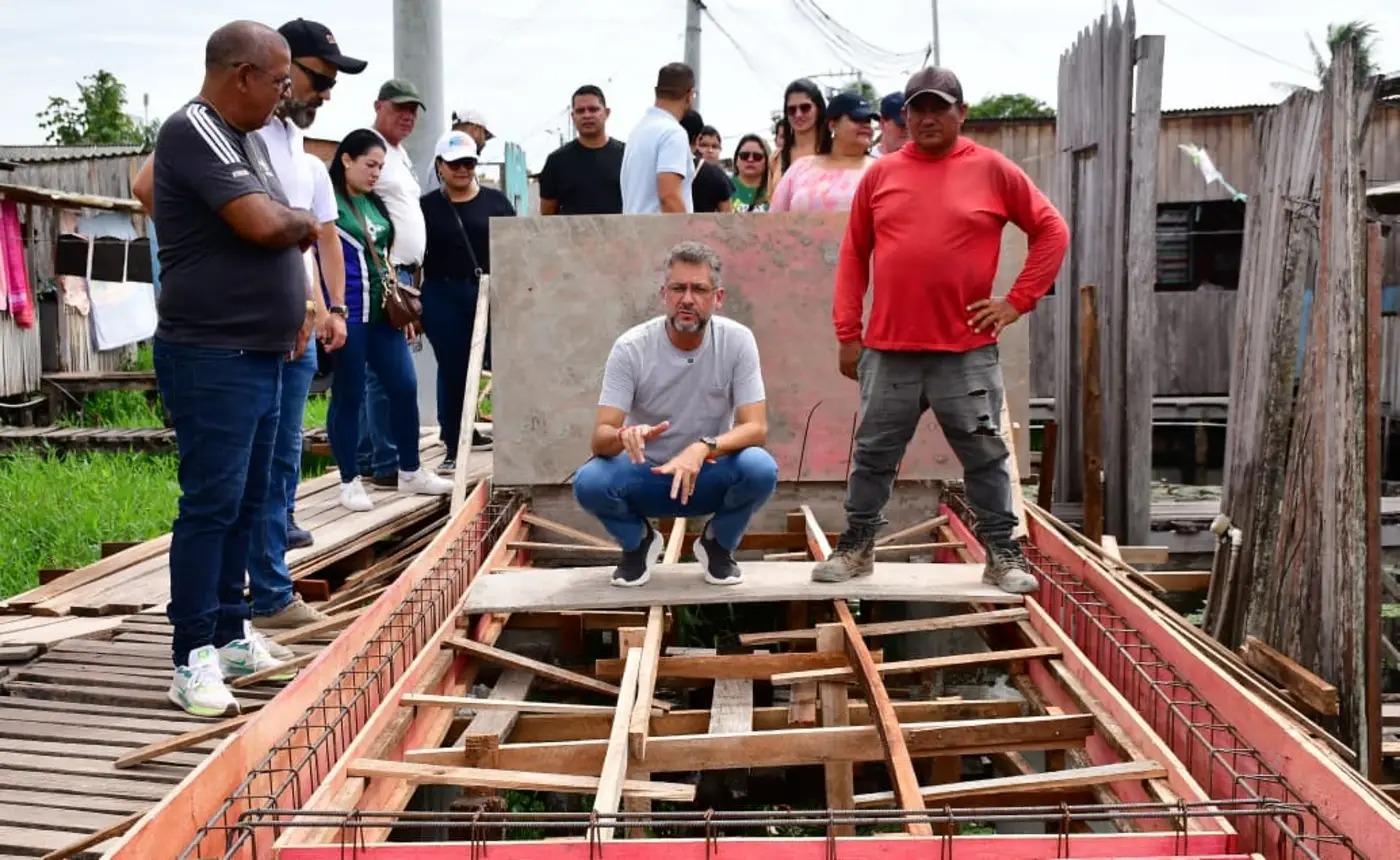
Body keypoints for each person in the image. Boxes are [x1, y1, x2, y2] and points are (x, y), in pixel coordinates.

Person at [812, 67, 1070, 595]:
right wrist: (847, 331)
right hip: (888, 349)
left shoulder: (994, 171)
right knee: (873, 453)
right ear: (904, 116)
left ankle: (1002, 553)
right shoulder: (880, 176)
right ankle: (857, 546)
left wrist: (1018, 301)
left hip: (966, 349)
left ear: (961, 112)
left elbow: (1052, 230)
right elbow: (853, 254)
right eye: (917, 109)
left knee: (985, 453)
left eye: (939, 108)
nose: (927, 118)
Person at [150, 20, 309, 716]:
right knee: (211, 506)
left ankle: (229, 629)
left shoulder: (243, 138)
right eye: (278, 81)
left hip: (259, 349)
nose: (285, 94)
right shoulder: (196, 128)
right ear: (241, 74)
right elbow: (266, 225)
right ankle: (191, 657)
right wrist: (308, 221)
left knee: (250, 500)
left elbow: (269, 218)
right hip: (213, 352)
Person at [236, 17, 366, 646]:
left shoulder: (299, 153)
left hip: (295, 330)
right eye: (317, 79)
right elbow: (152, 186)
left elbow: (320, 240)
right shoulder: (231, 134)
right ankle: (225, 611)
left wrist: (328, 307)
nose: (324, 93)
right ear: (280, 72)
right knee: (237, 472)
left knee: (280, 460)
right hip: (245, 331)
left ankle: (268, 592)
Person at [573, 241, 778, 588]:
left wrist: (703, 447)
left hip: (707, 474)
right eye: (677, 288)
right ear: (663, 294)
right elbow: (601, 437)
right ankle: (638, 542)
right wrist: (624, 436)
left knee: (760, 468)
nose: (687, 299)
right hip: (647, 474)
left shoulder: (737, 341)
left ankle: (718, 544)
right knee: (590, 482)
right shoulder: (632, 347)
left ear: (718, 297)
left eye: (699, 289)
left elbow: (756, 427)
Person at [323, 129, 455, 511]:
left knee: (404, 384)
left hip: (383, 314)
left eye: (380, 166)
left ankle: (410, 470)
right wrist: (326, 310)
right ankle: (349, 480)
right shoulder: (329, 201)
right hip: (348, 312)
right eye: (369, 164)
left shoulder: (375, 204)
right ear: (346, 159)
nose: (375, 173)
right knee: (348, 395)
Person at [419, 130, 516, 471]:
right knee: (454, 370)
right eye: (455, 163)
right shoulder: (427, 207)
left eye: (469, 162)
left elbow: (516, 248)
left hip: (492, 293)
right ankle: (453, 444)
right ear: (440, 166)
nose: (462, 169)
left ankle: (512, 440)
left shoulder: (497, 202)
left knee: (504, 365)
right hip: (443, 294)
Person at [358, 79, 429, 488]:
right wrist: (383, 265)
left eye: (414, 110)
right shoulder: (370, 147)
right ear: (378, 105)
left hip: (403, 272)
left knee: (382, 368)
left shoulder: (397, 154)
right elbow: (357, 204)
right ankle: (386, 462)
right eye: (400, 107)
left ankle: (372, 456)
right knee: (386, 372)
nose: (408, 116)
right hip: (385, 269)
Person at [770, 91, 875, 213]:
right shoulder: (801, 168)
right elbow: (774, 219)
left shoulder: (881, 170)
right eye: (857, 119)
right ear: (833, 125)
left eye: (868, 120)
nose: (866, 126)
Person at [619, 63, 696, 214]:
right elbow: (669, 197)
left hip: (633, 230)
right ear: (689, 95)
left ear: (656, 92)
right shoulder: (673, 133)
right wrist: (686, 233)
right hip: (662, 234)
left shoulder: (638, 130)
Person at [538, 84, 625, 215]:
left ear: (606, 113)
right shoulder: (557, 161)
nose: (587, 115)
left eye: (593, 109)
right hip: (572, 235)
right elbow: (548, 214)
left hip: (621, 234)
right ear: (573, 116)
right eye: (580, 111)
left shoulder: (627, 156)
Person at [772, 79, 829, 183]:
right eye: (791, 110)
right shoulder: (776, 158)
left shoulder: (834, 150)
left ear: (818, 109)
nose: (798, 114)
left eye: (805, 108)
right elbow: (772, 197)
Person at [680, 109, 732, 214]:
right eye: (704, 145)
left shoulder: (719, 176)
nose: (710, 150)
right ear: (697, 140)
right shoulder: (716, 175)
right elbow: (728, 222)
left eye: (715, 146)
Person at [729, 134, 772, 212]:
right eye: (744, 155)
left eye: (757, 156)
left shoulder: (775, 189)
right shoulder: (724, 187)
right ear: (736, 160)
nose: (750, 159)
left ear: (767, 160)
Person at [872, 92, 909, 157]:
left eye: (910, 124)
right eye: (901, 124)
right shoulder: (868, 163)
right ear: (882, 123)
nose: (907, 129)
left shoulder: (923, 160)